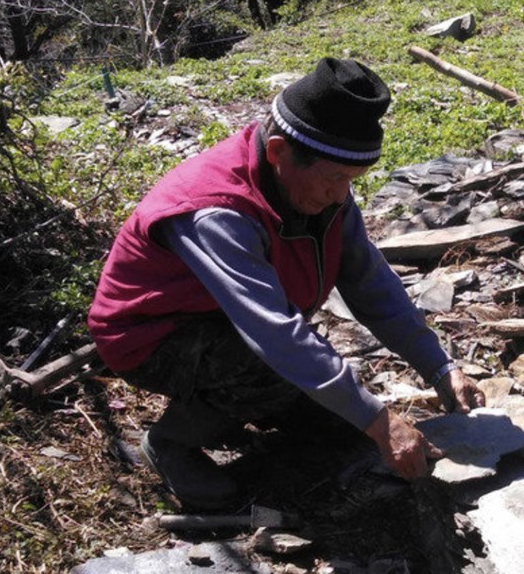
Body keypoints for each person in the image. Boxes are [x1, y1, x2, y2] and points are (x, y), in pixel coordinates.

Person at [88, 56, 484, 511]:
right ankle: (172, 442)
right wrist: (381, 422)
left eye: (351, 181)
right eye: (336, 179)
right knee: (284, 373)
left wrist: (438, 366)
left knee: (339, 424)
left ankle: (253, 405)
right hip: (149, 336)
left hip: (225, 321)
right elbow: (275, 333)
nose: (343, 196)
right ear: (278, 152)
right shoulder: (217, 210)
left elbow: (368, 281)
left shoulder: (318, 189)